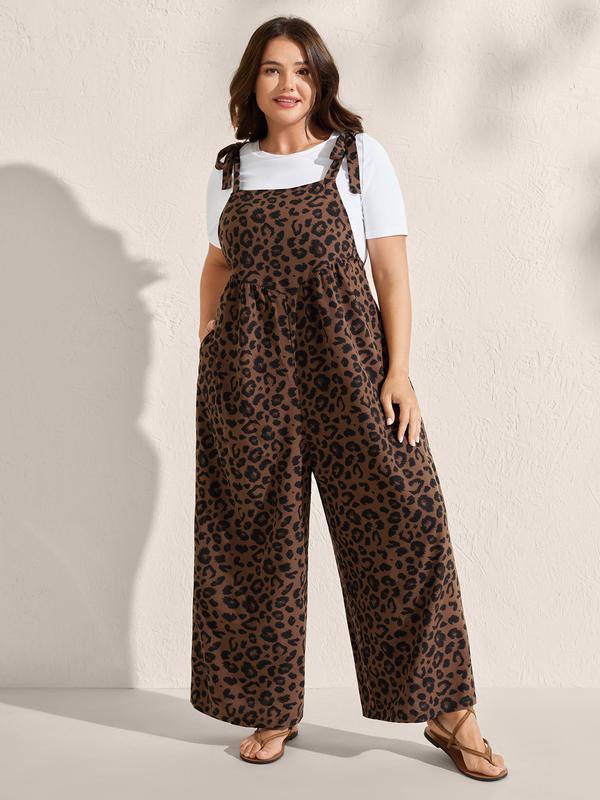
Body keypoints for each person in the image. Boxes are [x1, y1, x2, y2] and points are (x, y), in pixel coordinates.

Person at [191, 15, 508, 782]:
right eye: (272, 69)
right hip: (250, 375)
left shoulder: (358, 159)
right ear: (252, 83)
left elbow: (391, 273)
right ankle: (270, 704)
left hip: (351, 365)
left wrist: (398, 373)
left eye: (302, 69)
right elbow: (218, 263)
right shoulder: (231, 170)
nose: (287, 84)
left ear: (321, 80)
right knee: (255, 536)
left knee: (406, 520)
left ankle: (448, 710)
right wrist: (210, 339)